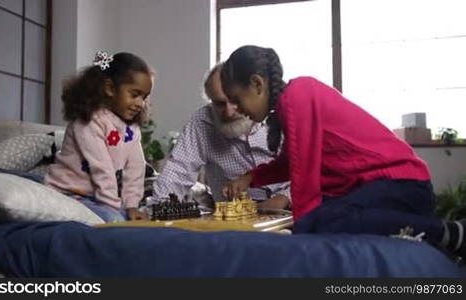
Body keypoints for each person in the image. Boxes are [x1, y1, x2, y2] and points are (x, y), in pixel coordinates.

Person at [220, 45, 466, 259]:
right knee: (322, 215)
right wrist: (250, 177)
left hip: (404, 185)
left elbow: (304, 178)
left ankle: (447, 232)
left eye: (236, 99)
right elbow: (290, 161)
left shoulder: (298, 94)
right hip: (382, 188)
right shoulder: (289, 104)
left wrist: (302, 235)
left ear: (257, 84)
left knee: (324, 219)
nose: (233, 109)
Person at [152, 64, 291, 209]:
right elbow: (177, 172)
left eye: (236, 101)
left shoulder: (283, 112)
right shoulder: (202, 121)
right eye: (219, 104)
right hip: (234, 219)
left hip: (293, 211)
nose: (229, 112)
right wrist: (158, 209)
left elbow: (312, 172)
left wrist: (285, 198)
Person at [45, 51, 151, 222]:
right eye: (134, 95)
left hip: (97, 197)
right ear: (109, 88)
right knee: (114, 219)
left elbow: (136, 169)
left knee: (134, 217)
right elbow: (101, 167)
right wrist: (114, 207)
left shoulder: (132, 129)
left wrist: (132, 206)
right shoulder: (88, 121)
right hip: (69, 191)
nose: (140, 103)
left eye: (144, 98)